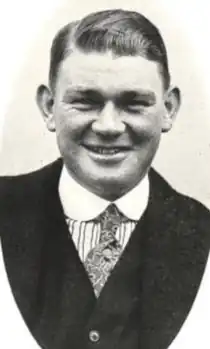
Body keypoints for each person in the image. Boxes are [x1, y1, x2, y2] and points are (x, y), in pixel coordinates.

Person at [0, 8, 209, 349]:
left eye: (134, 103)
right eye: (85, 102)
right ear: (48, 107)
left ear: (168, 110)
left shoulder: (202, 232)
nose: (109, 127)